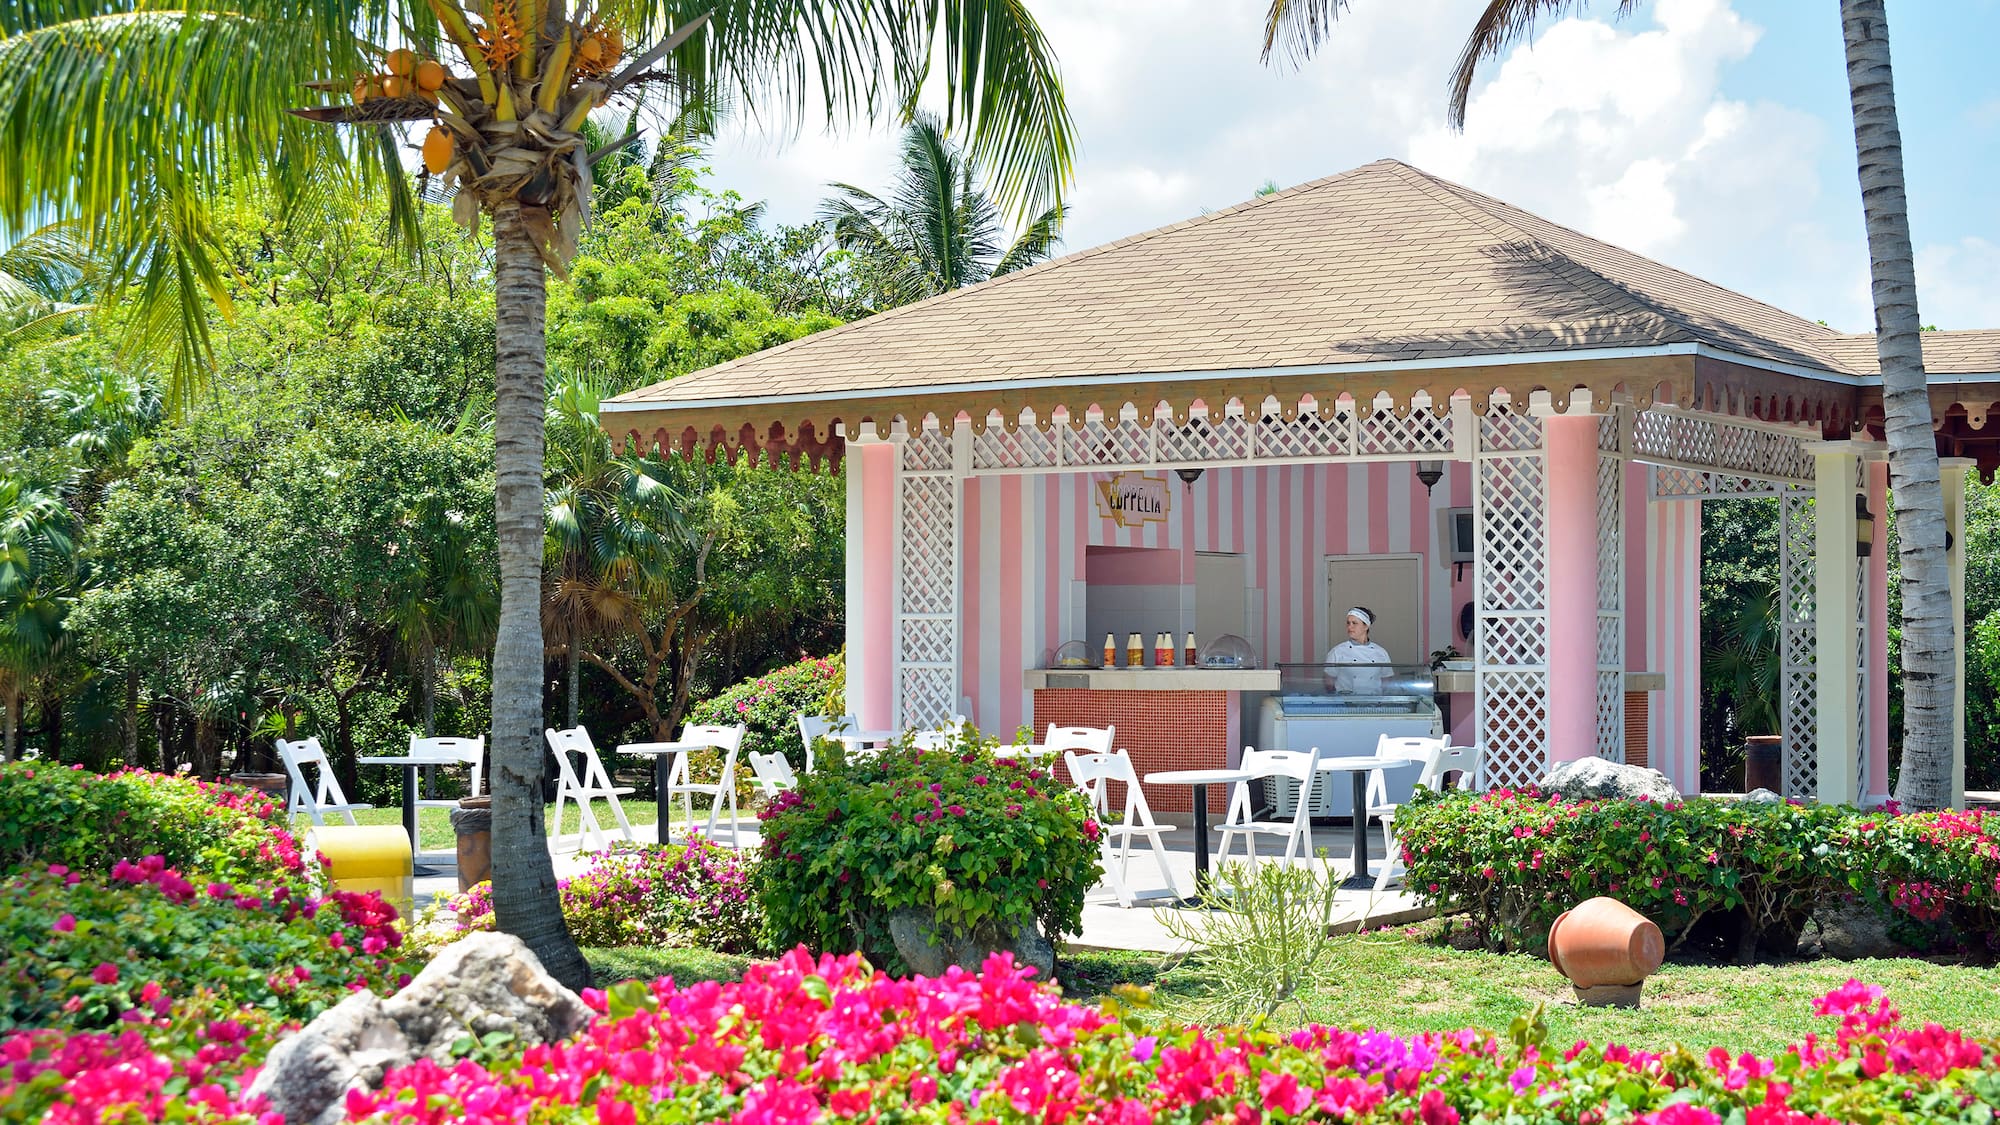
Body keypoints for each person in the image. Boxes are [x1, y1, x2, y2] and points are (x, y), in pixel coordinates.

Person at [1324, 607, 1392, 694]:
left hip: (1373, 704)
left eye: (1354, 623)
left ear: (1366, 626)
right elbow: (1328, 683)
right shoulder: (1337, 651)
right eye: (1348, 623)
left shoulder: (1381, 652)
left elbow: (1387, 681)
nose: (1350, 626)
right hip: (1346, 704)